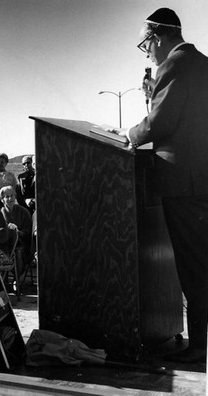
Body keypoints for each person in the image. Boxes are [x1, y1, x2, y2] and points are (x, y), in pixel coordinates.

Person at [111, 8, 208, 363]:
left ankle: (200, 347)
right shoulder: (203, 63)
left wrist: (129, 134)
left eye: (145, 44)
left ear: (158, 36)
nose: (147, 52)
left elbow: (161, 124)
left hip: (184, 184)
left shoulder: (173, 66)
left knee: (194, 266)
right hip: (202, 180)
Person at [0, 186, 32, 272]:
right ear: (2, 199)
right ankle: (3, 280)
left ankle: (17, 279)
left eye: (12, 195)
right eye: (7, 197)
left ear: (15, 197)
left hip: (21, 243)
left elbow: (28, 231)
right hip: (5, 243)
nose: (10, 198)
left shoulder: (23, 212)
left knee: (18, 251)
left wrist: (18, 232)